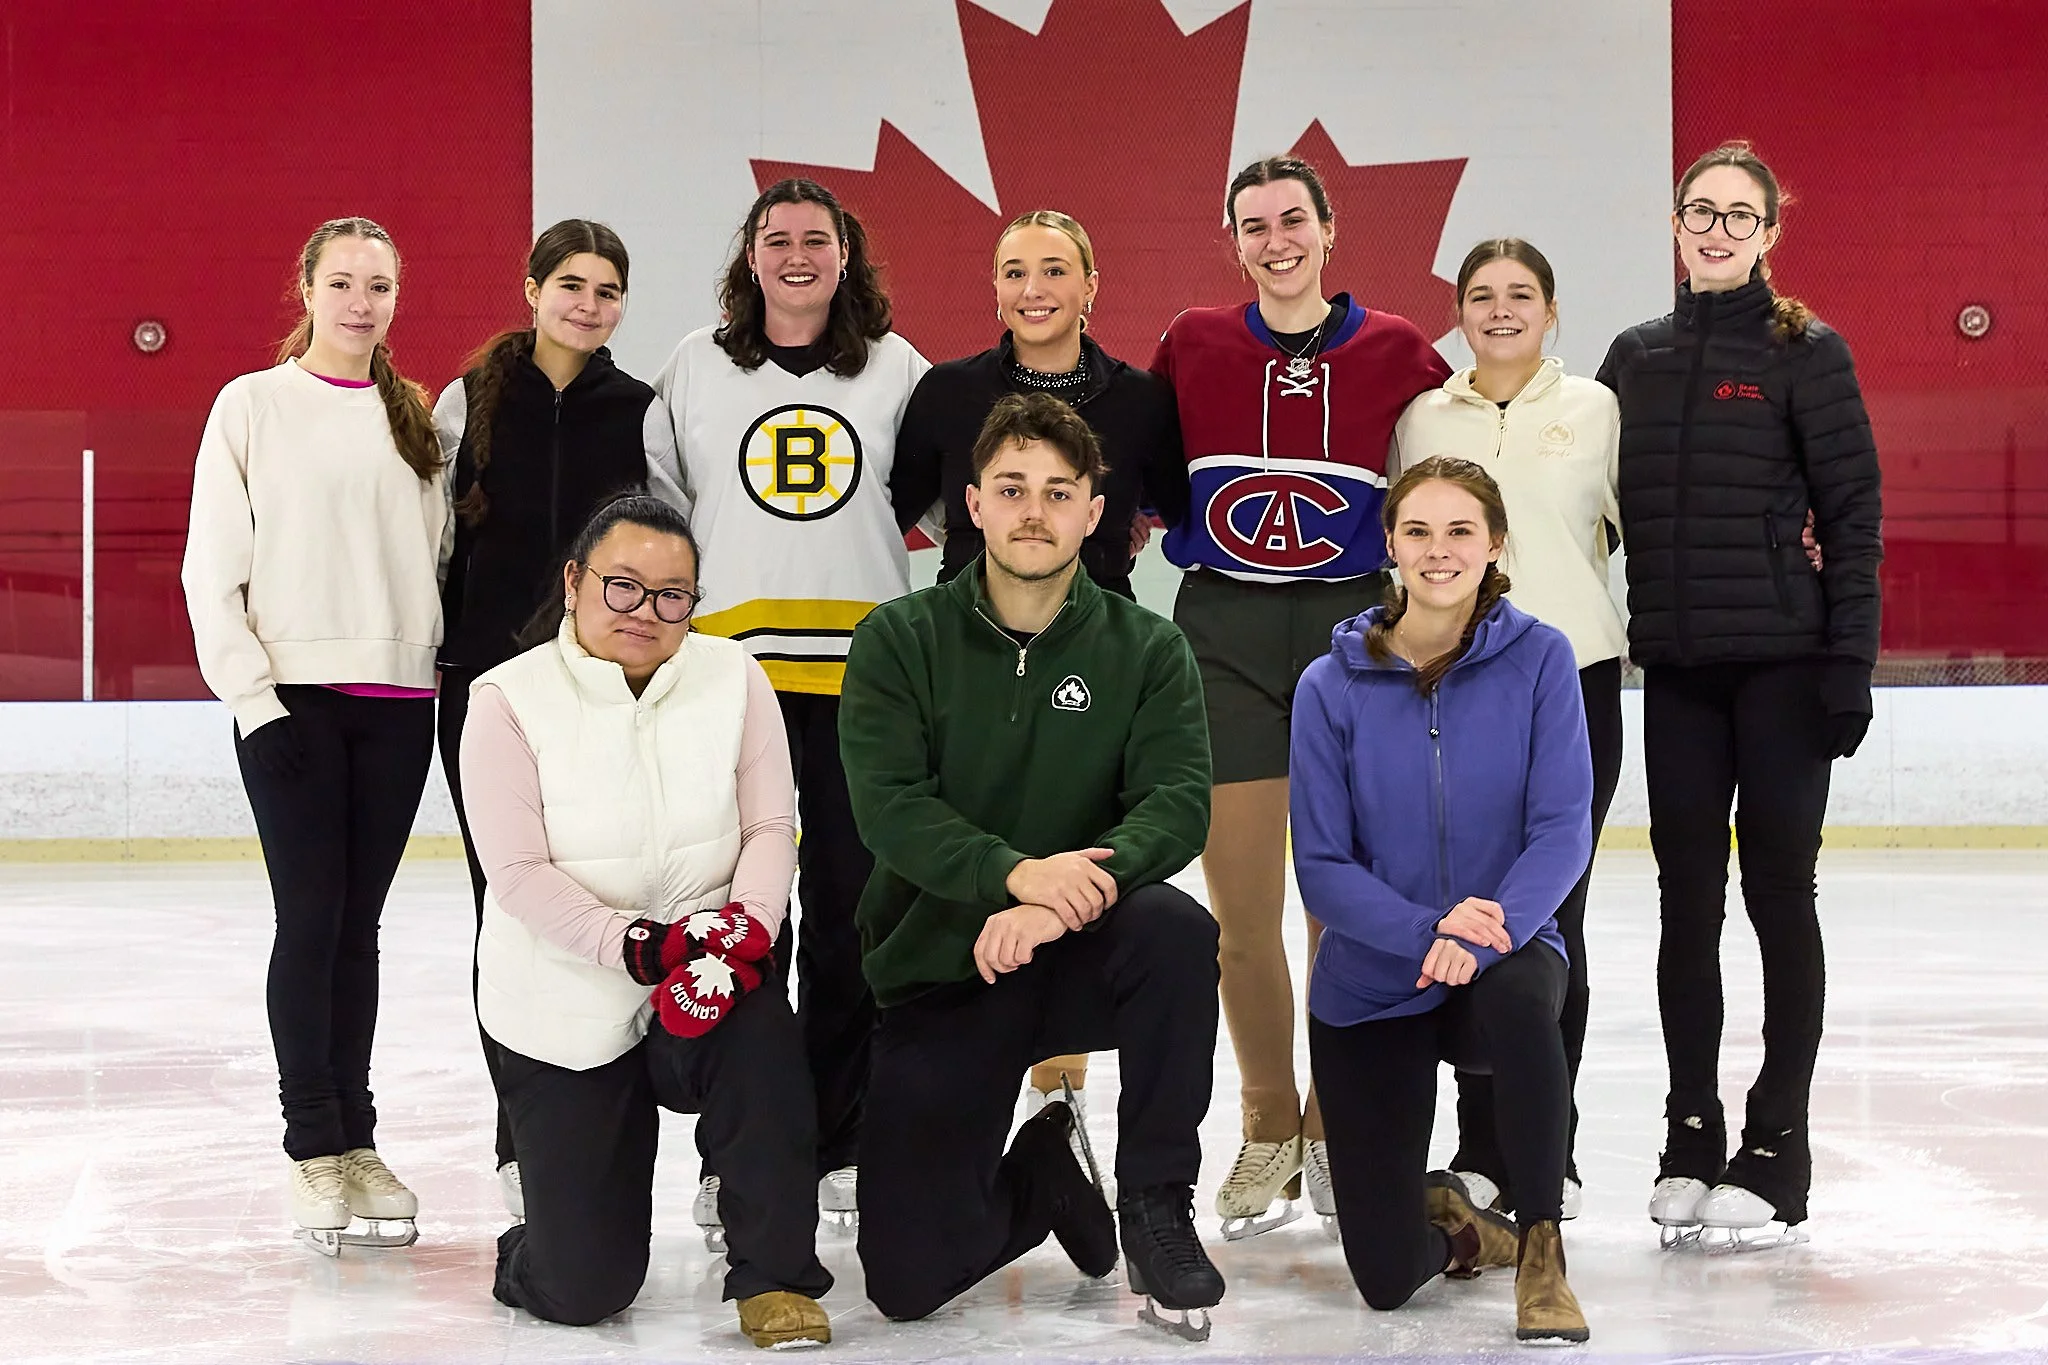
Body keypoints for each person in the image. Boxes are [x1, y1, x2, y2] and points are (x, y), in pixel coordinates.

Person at [839, 393, 1224, 1340]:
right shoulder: (900, 637)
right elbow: (891, 809)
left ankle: (1158, 1208)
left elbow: (1175, 805)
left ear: (1096, 512)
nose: (1033, 510)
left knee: (1177, 932)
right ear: (973, 503)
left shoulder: (1147, 646)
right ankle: (1049, 1173)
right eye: (1011, 488)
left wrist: (1057, 902)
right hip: (945, 969)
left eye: (1060, 491)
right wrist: (1016, 875)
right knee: (905, 1280)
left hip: (1081, 951)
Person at [1151, 154, 1452, 1237]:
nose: (1274, 239)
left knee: (1341, 909)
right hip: (1222, 629)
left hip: (1351, 635)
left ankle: (1333, 1123)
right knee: (1239, 913)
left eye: (1292, 220)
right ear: (1232, 240)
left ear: (1328, 231)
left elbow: (1453, 490)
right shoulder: (1190, 342)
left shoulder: (1400, 350)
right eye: (1252, 224)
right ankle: (1267, 1121)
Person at [459, 494, 833, 1346]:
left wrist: (749, 930)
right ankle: (536, 1247)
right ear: (573, 582)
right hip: (564, 1003)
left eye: (673, 595)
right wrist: (639, 945)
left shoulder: (735, 675)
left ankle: (775, 1276)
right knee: (585, 1286)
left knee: (763, 1042)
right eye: (622, 587)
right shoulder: (506, 700)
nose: (646, 612)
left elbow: (772, 826)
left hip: (706, 968)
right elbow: (514, 874)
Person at [1597, 141, 1882, 1248]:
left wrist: (1846, 665)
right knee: (1684, 906)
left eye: (1735, 214)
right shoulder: (1636, 355)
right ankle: (1688, 1129)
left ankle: (1776, 1146)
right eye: (1695, 211)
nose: (1713, 229)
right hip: (1673, 671)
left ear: (1769, 232)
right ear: (1674, 225)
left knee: (1774, 898)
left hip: (1779, 669)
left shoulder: (1802, 352)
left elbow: (1852, 519)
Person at [653, 177, 929, 1237]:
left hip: (863, 682)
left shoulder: (896, 370)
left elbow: (942, 503)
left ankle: (837, 1137)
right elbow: (659, 510)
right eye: (778, 239)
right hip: (733, 683)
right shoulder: (696, 366)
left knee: (854, 914)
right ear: (750, 258)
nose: (798, 255)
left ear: (845, 257)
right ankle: (740, 1146)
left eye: (817, 239)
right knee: (737, 916)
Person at [889, 208, 1187, 1170]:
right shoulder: (946, 393)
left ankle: (1063, 1104)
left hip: (1093, 658)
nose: (1034, 288)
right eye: (1014, 270)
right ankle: (964, 1082)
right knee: (984, 853)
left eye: (1055, 268)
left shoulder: (1140, 398)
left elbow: (1179, 509)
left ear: (1091, 283)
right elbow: (897, 506)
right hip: (977, 650)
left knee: (1083, 862)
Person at [181, 216, 451, 1254]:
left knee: (360, 928)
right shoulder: (252, 407)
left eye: (379, 285)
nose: (361, 302)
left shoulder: (413, 417)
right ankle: (311, 1147)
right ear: (305, 287)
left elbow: (429, 559)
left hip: (395, 705)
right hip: (292, 699)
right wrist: (253, 697)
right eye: (342, 282)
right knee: (311, 916)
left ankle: (359, 1137)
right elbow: (214, 571)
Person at [1292, 456, 1593, 1346]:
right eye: (1417, 531)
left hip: (1499, 953)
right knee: (1385, 1281)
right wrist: (1427, 930)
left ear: (1495, 543)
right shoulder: (1329, 685)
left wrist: (1484, 933)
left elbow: (1562, 829)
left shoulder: (1542, 658)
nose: (1438, 550)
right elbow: (1321, 864)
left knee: (1525, 1004)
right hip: (1375, 976)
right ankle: (1460, 1226)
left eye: (1461, 530)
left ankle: (1542, 1247)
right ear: (1389, 545)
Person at [433, 219, 685, 1220]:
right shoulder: (468, 404)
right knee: (507, 910)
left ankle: (614, 1132)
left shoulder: (641, 412)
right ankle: (520, 1138)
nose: (588, 303)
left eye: (608, 290)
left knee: (604, 898)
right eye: (571, 284)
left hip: (604, 694)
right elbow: (435, 536)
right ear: (531, 287)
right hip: (489, 694)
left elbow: (670, 544)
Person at [1390, 238, 1623, 1223]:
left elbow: (1621, 529)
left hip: (1571, 680)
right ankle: (1478, 1147)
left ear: (1551, 310)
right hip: (1450, 687)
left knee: (1548, 916)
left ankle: (1545, 1144)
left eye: (1518, 294)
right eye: (1479, 296)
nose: (1498, 310)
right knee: (1463, 909)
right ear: (1456, 312)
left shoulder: (1596, 411)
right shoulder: (1422, 416)